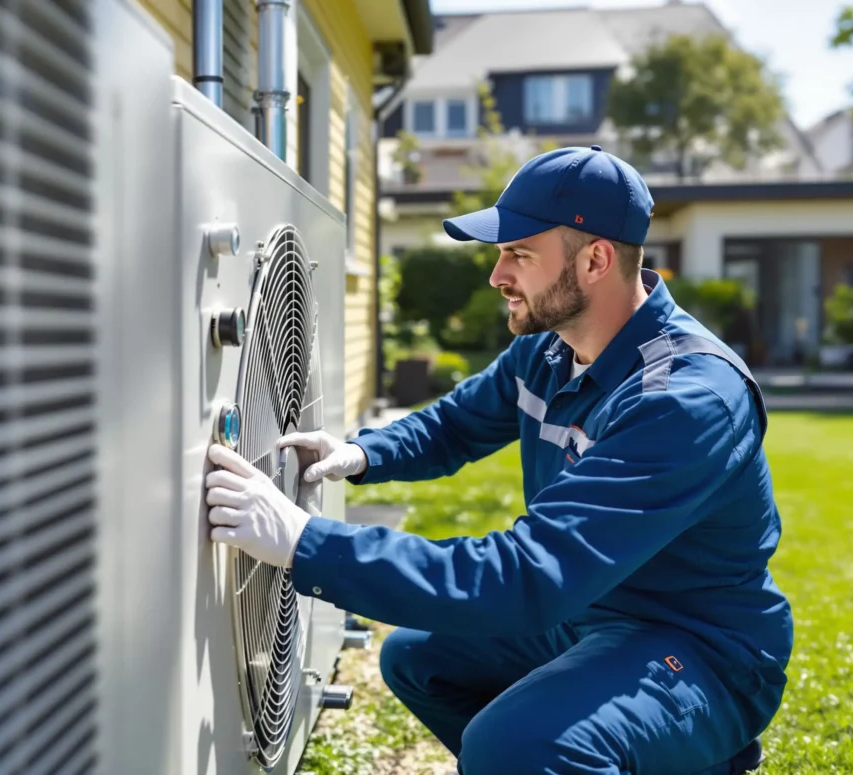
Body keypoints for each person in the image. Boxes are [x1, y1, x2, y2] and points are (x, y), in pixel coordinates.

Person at [203, 146, 792, 775]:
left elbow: (528, 578)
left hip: (699, 646)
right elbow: (457, 423)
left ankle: (681, 752)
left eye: (519, 254)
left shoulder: (687, 399)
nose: (496, 275)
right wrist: (362, 452)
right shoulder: (549, 348)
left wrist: (304, 542)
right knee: (418, 657)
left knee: (515, 744)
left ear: (595, 260)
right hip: (591, 612)